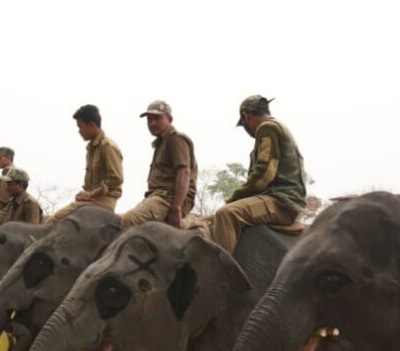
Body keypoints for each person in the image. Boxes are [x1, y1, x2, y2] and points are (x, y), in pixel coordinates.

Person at [211, 95, 309, 254]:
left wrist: (234, 198)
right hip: (283, 199)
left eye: (243, 124)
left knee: (226, 214)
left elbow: (264, 174)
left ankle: (220, 275)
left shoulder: (267, 128)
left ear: (246, 117)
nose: (246, 129)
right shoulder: (278, 128)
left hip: (281, 202)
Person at [121, 101, 197, 229]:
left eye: (157, 118)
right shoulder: (161, 142)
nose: (152, 123)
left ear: (170, 119)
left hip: (169, 197)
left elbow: (184, 172)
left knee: (131, 219)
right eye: (149, 119)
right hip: (158, 196)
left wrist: (177, 207)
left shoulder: (175, 138)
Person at [47, 105, 124, 224]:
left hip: (103, 201)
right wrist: (85, 194)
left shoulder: (107, 146)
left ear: (92, 125)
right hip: (91, 199)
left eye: (81, 127)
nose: (79, 131)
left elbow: (116, 179)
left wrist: (91, 194)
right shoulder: (91, 148)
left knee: (54, 221)